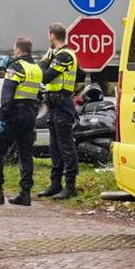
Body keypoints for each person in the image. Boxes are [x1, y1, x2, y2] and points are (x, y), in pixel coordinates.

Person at [0, 36, 43, 206]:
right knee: (25, 154)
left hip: (13, 115)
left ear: (18, 50)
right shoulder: (36, 68)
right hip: (29, 115)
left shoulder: (15, 67)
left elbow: (7, 96)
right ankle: (25, 193)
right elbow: (32, 91)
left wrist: (1, 119)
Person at [39, 23, 80, 200]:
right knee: (54, 147)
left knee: (66, 146)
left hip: (63, 104)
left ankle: (70, 185)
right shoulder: (57, 54)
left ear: (52, 36)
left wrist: (45, 59)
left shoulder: (65, 55)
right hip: (54, 105)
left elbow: (44, 75)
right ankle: (55, 184)